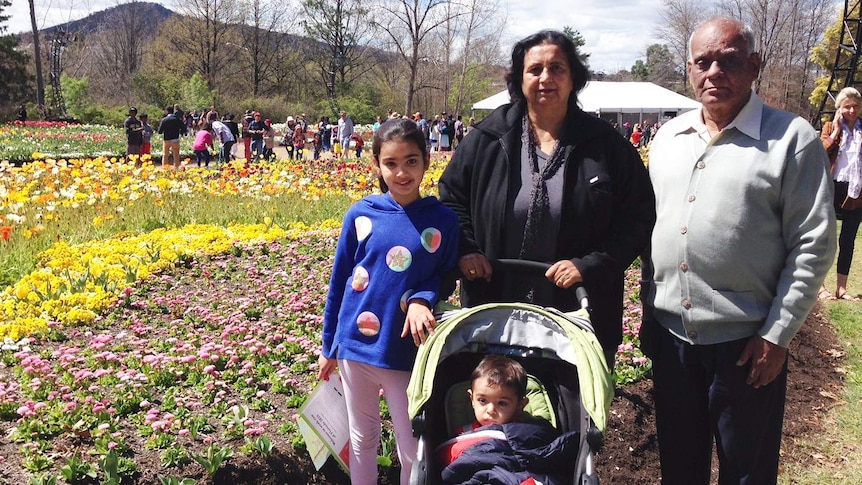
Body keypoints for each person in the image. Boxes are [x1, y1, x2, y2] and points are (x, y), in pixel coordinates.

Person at [641, 17, 836, 485]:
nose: (714, 73)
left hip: (747, 347)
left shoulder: (791, 139)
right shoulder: (668, 138)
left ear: (754, 66)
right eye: (703, 62)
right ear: (689, 69)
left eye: (728, 61)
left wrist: (777, 335)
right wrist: (649, 312)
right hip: (673, 341)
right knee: (679, 469)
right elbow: (652, 232)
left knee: (746, 473)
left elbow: (813, 242)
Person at [438, 29, 655, 365]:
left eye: (557, 68)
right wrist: (466, 249)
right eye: (534, 69)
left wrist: (590, 265)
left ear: (574, 79)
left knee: (570, 413)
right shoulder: (488, 137)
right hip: (495, 311)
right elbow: (451, 200)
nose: (545, 78)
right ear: (519, 78)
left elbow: (638, 216)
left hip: (577, 313)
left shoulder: (605, 145)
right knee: (494, 412)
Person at [317, 118, 460, 485]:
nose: (401, 172)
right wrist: (328, 344)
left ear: (427, 161)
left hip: (403, 350)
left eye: (411, 161)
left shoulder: (442, 220)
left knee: (411, 447)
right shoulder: (361, 214)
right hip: (354, 347)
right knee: (362, 439)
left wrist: (420, 299)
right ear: (377, 165)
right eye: (391, 163)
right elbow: (340, 282)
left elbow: (443, 276)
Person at [437, 355, 578, 485]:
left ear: (520, 405)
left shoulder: (530, 431)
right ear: (472, 399)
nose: (491, 410)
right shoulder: (462, 436)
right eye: (482, 400)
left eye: (502, 403)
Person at [820, 86, 862, 301]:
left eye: (855, 106)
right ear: (839, 109)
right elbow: (820, 153)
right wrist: (836, 131)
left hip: (855, 191)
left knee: (848, 240)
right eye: (847, 107)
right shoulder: (829, 127)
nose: (852, 111)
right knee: (824, 239)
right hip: (832, 187)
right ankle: (819, 287)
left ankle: (842, 288)